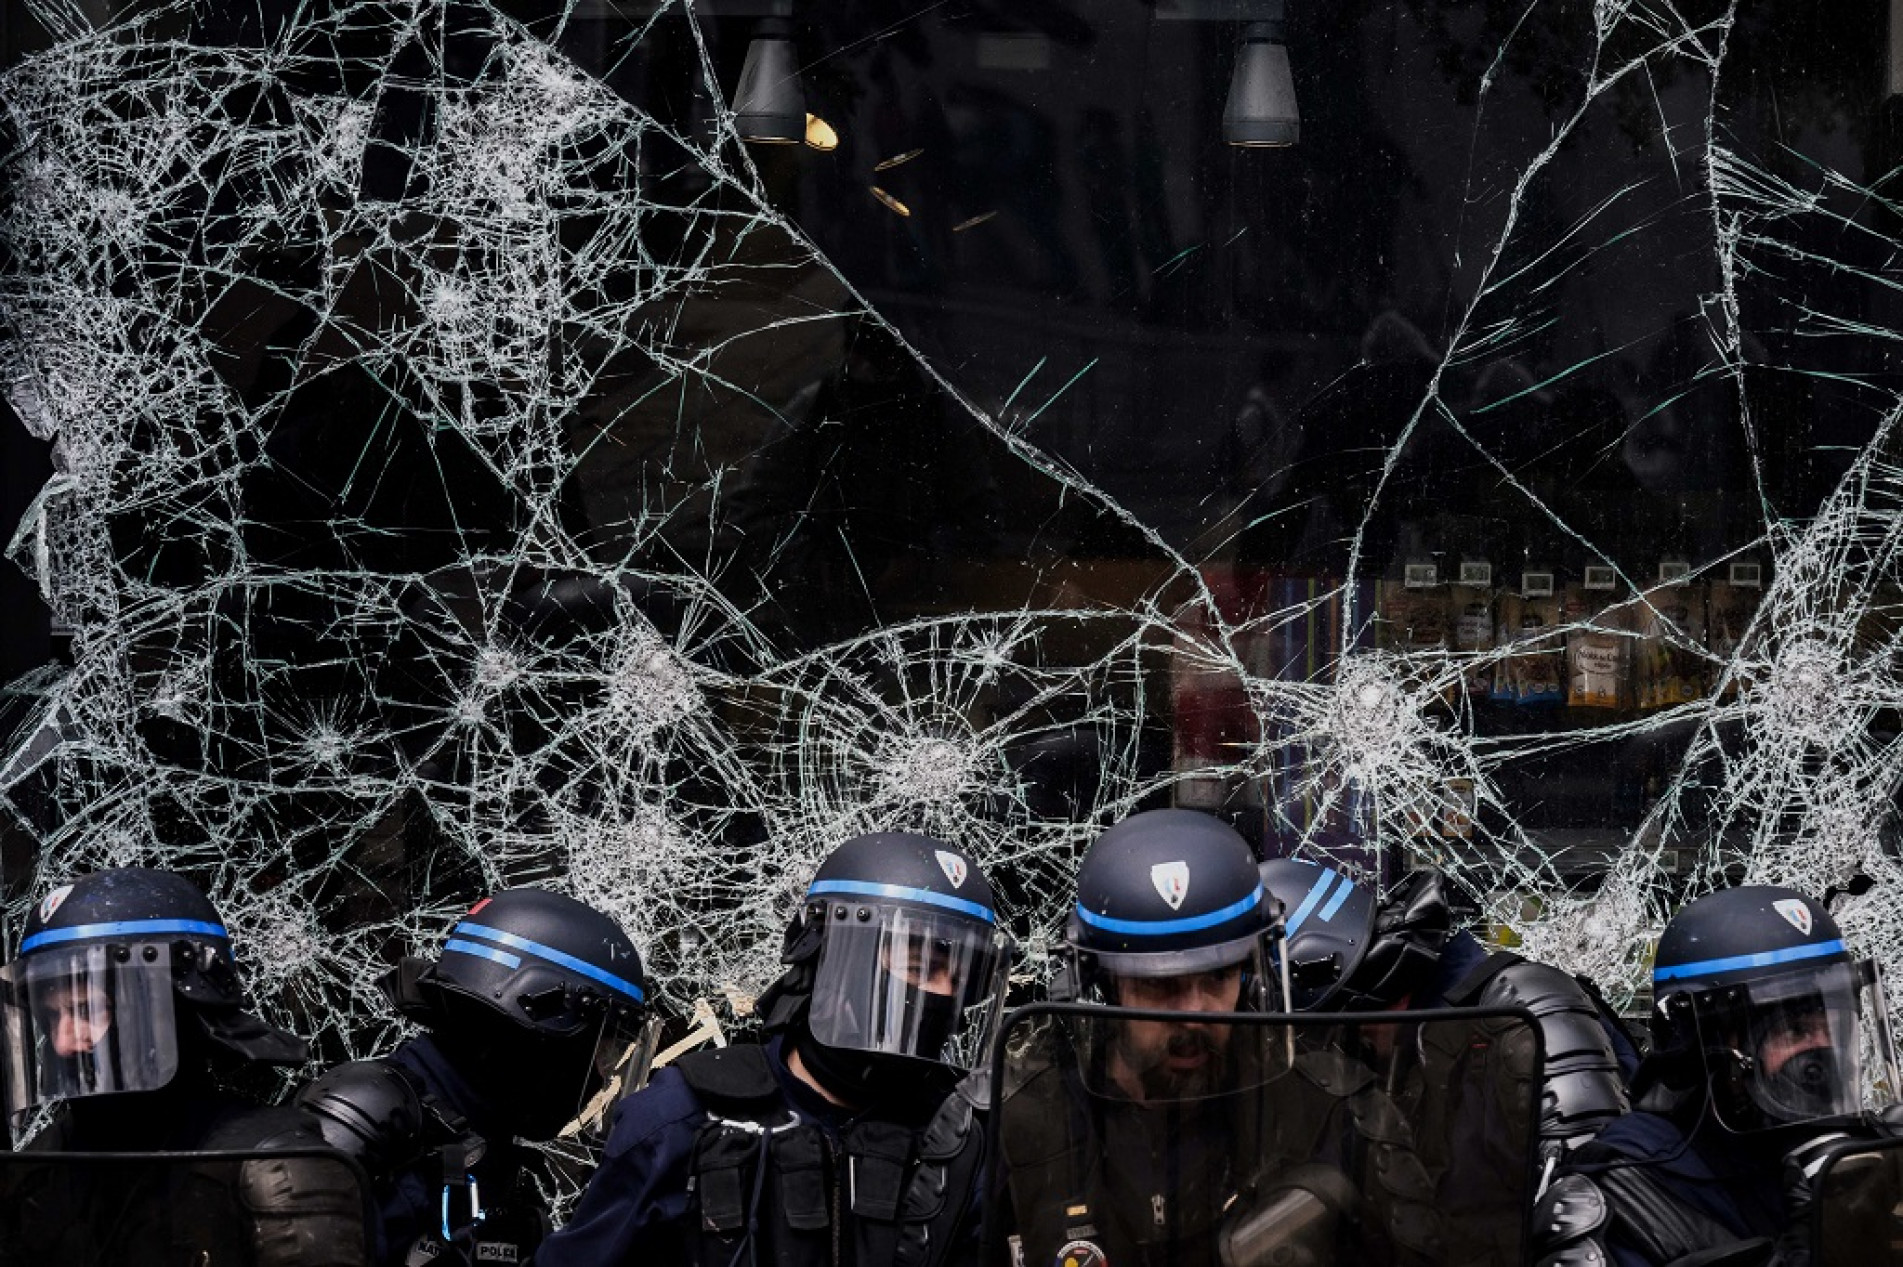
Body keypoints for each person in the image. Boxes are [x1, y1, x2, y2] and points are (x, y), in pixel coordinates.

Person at [533, 831, 1013, 1267]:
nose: (944, 992)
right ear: (834, 961)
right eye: (918, 964)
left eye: (962, 977)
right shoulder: (686, 1117)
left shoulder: (968, 1138)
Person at [996, 809, 1446, 1267]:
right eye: (1160, 986)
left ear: (1250, 976)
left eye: (1217, 977)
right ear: (1104, 985)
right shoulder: (1017, 1122)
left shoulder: (1337, 1115)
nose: (1195, 1012)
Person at [0, 866, 364, 1265]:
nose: (64, 1041)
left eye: (87, 1010)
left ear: (176, 1009)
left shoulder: (269, 1167)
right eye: (51, 1018)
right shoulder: (43, 1165)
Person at [1538, 885, 1903, 1267]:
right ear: (1701, 1048)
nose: (1824, 1052)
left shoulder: (1864, 1155)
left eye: (1831, 1024)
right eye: (1793, 1030)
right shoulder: (1626, 1196)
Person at [295, 886, 656, 1266]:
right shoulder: (370, 1121)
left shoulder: (490, 1152)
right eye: (602, 1050)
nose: (604, 1075)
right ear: (537, 1013)